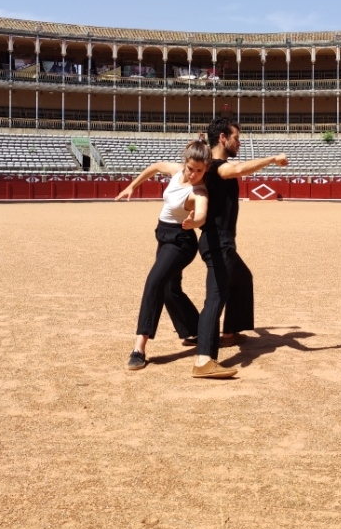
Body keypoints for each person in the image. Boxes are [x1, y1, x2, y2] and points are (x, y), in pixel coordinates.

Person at [192, 117, 288, 379]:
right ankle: (203, 360)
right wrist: (271, 159)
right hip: (218, 241)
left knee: (242, 278)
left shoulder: (208, 165)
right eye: (236, 137)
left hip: (219, 240)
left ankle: (230, 332)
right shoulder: (217, 167)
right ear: (223, 138)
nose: (240, 141)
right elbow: (235, 170)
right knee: (214, 298)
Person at [115, 138, 212, 371]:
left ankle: (139, 348)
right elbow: (156, 166)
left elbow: (202, 213)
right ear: (185, 163)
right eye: (191, 168)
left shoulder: (199, 190)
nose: (194, 174)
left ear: (206, 169)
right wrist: (133, 185)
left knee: (154, 283)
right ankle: (196, 329)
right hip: (163, 235)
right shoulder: (177, 170)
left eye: (200, 170)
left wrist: (194, 222)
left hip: (181, 242)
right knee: (170, 289)